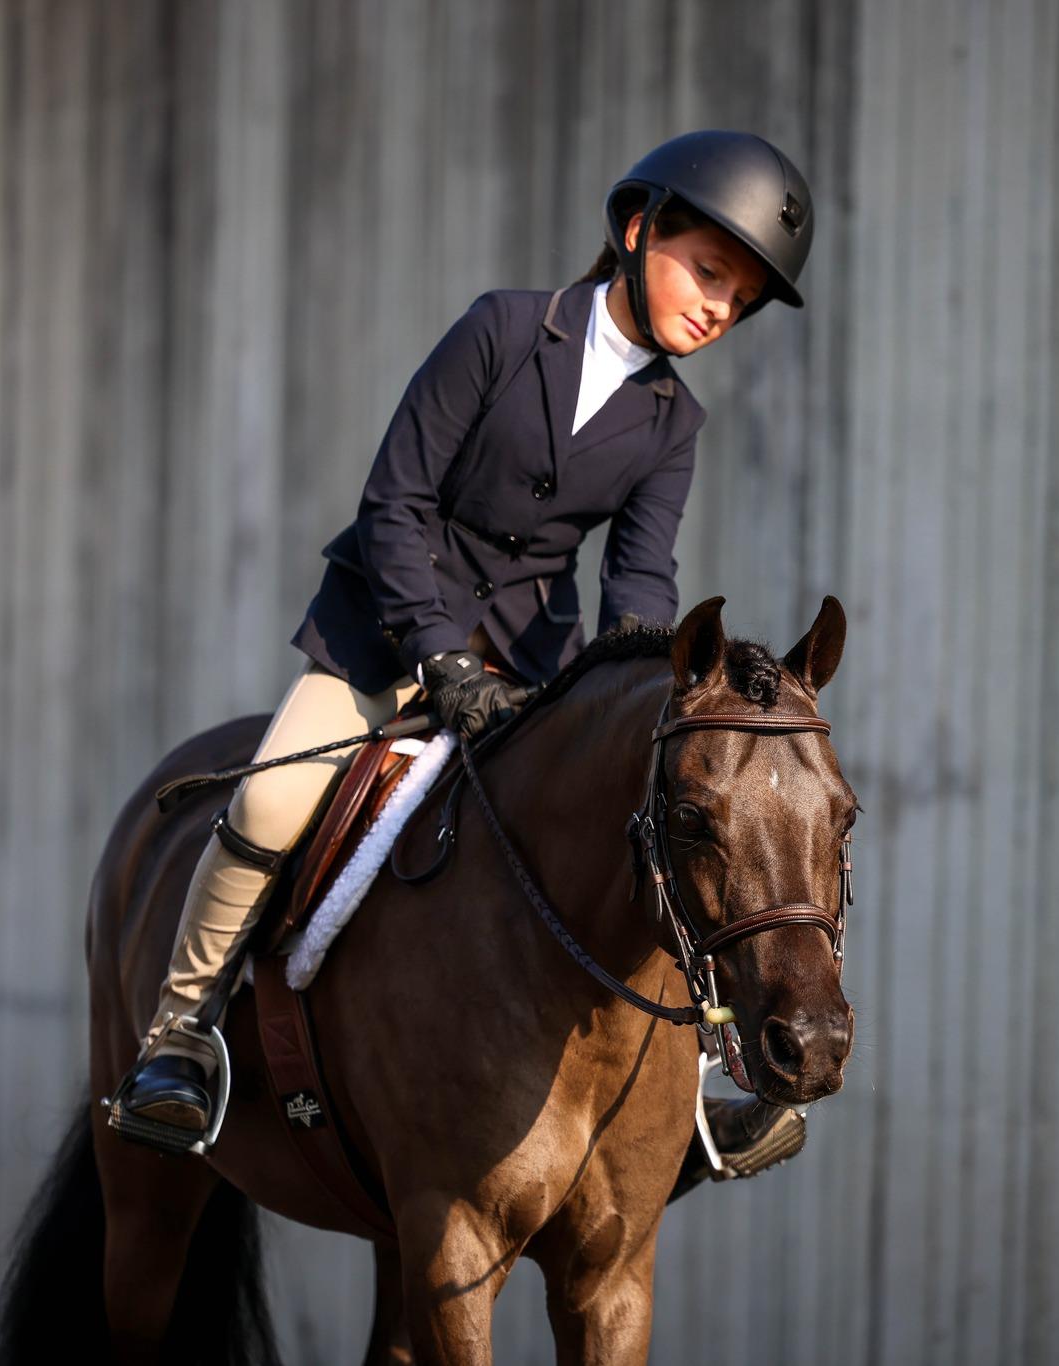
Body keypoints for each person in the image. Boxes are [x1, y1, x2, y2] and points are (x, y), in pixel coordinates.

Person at [121, 130, 816, 1177]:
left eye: (740, 297)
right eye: (708, 270)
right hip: (384, 633)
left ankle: (702, 1082)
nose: (718, 305)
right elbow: (393, 499)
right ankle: (177, 1035)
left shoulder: (674, 422)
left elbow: (639, 575)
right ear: (636, 231)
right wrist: (437, 653)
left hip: (530, 665)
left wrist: (635, 676)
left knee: (659, 827)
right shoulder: (501, 328)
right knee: (267, 804)